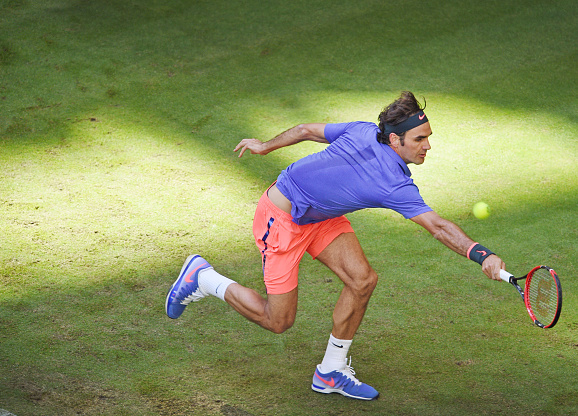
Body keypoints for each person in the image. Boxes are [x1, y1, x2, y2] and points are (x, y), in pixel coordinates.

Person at [165, 91, 506, 401]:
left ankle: (330, 371)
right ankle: (203, 277)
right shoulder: (393, 183)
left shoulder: (362, 130)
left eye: (428, 137)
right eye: (419, 139)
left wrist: (266, 145)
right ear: (394, 139)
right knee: (277, 320)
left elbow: (304, 130)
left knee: (362, 280)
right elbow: (439, 226)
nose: (427, 146)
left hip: (321, 217)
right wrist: (482, 254)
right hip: (281, 219)